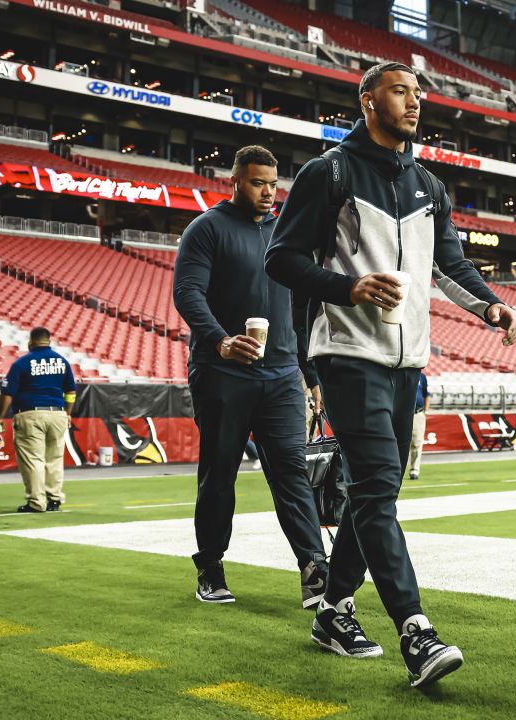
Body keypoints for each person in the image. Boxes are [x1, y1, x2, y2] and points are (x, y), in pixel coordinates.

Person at [266, 61, 516, 687]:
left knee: (373, 491)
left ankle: (333, 610)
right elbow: (282, 259)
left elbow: (450, 265)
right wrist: (349, 289)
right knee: (378, 485)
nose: (414, 103)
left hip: (409, 361)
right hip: (348, 354)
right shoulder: (327, 173)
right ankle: (416, 632)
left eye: (418, 94)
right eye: (401, 91)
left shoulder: (429, 185)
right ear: (368, 99)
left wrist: (490, 305)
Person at [173, 144, 329, 609]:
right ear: (236, 181)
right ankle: (211, 565)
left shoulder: (287, 234)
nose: (268, 192)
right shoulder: (206, 229)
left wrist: (311, 373)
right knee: (219, 475)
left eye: (273, 184)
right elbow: (187, 293)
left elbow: (302, 310)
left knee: (291, 472)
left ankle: (314, 568)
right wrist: (221, 339)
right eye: (258, 183)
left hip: (282, 375)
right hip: (222, 372)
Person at [0, 327, 76, 513]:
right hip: (58, 414)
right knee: (54, 459)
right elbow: (71, 392)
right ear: (49, 341)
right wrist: (68, 413)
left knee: (33, 460)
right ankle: (54, 499)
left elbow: (7, 393)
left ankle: (37, 502)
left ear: (31, 342)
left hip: (30, 414)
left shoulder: (22, 363)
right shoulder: (62, 362)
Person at [408, 372, 430, 479]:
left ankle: (414, 471)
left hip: (418, 413)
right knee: (398, 442)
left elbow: (427, 394)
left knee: (417, 443)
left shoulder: (422, 376)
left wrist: (426, 411)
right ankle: (396, 470)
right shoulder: (402, 372)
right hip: (403, 413)